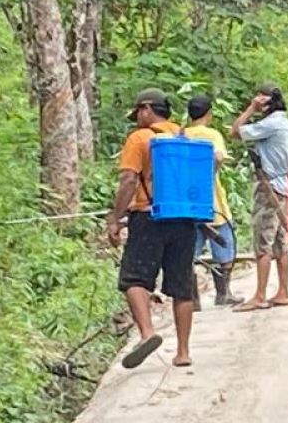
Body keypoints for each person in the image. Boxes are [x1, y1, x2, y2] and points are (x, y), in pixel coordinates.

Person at [105, 89, 196, 369]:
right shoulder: (184, 137)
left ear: (146, 109)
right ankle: (183, 352)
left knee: (133, 279)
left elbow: (129, 180)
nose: (136, 120)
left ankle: (147, 333)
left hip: (148, 217)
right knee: (182, 286)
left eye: (138, 113)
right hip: (184, 218)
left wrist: (114, 218)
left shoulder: (140, 138)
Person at [230, 83, 288, 312]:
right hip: (284, 186)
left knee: (263, 240)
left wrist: (250, 108)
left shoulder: (270, 124)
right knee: (280, 241)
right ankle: (283, 290)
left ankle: (260, 294)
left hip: (269, 187)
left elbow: (235, 131)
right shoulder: (287, 125)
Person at [183, 94, 243, 310]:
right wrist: (210, 172)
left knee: (189, 252)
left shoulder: (182, 134)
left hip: (187, 201)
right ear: (209, 113)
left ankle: (193, 299)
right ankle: (223, 293)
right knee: (225, 243)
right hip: (212, 200)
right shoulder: (212, 134)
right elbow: (218, 157)